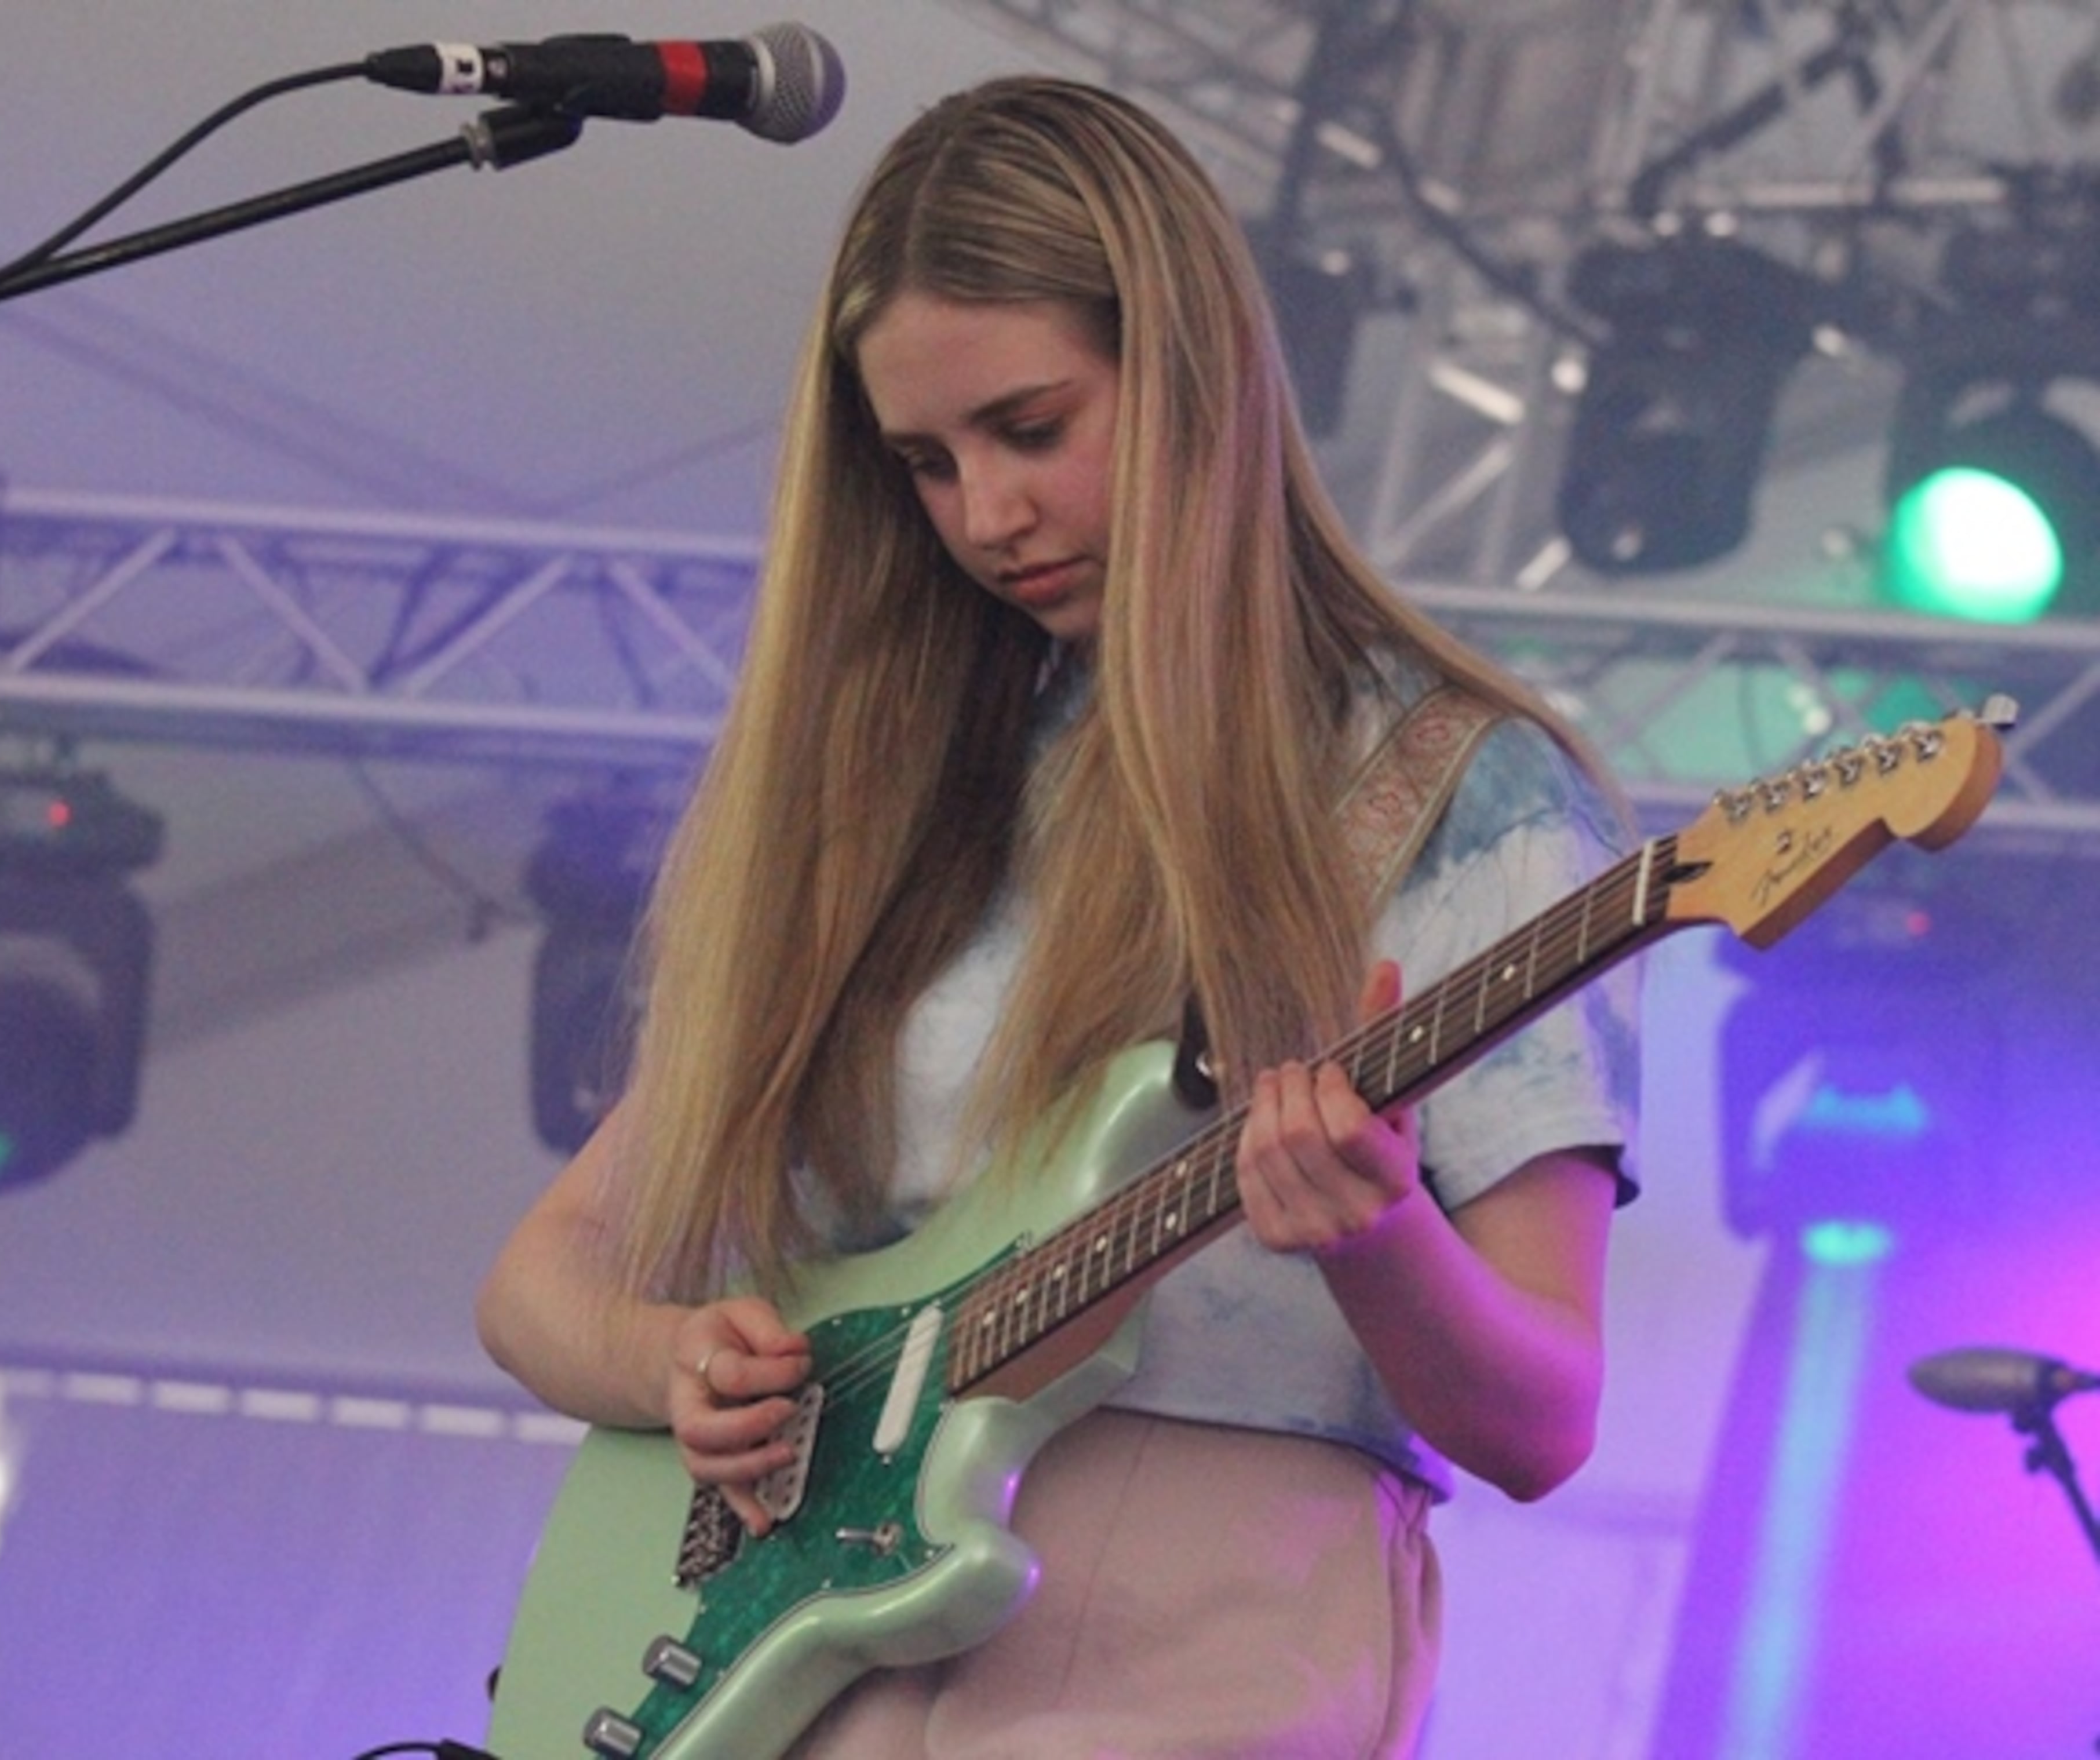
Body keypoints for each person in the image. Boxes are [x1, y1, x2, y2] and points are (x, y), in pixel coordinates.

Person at [476, 74, 1640, 1759]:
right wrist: (674, 1363)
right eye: (925, 465)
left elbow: (1545, 1417)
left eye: (1033, 429)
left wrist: (1376, 1231)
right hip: (806, 1625)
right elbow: (542, 1281)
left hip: (1205, 1612)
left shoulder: (1467, 789)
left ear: (1193, 379)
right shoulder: (892, 791)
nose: (986, 516)